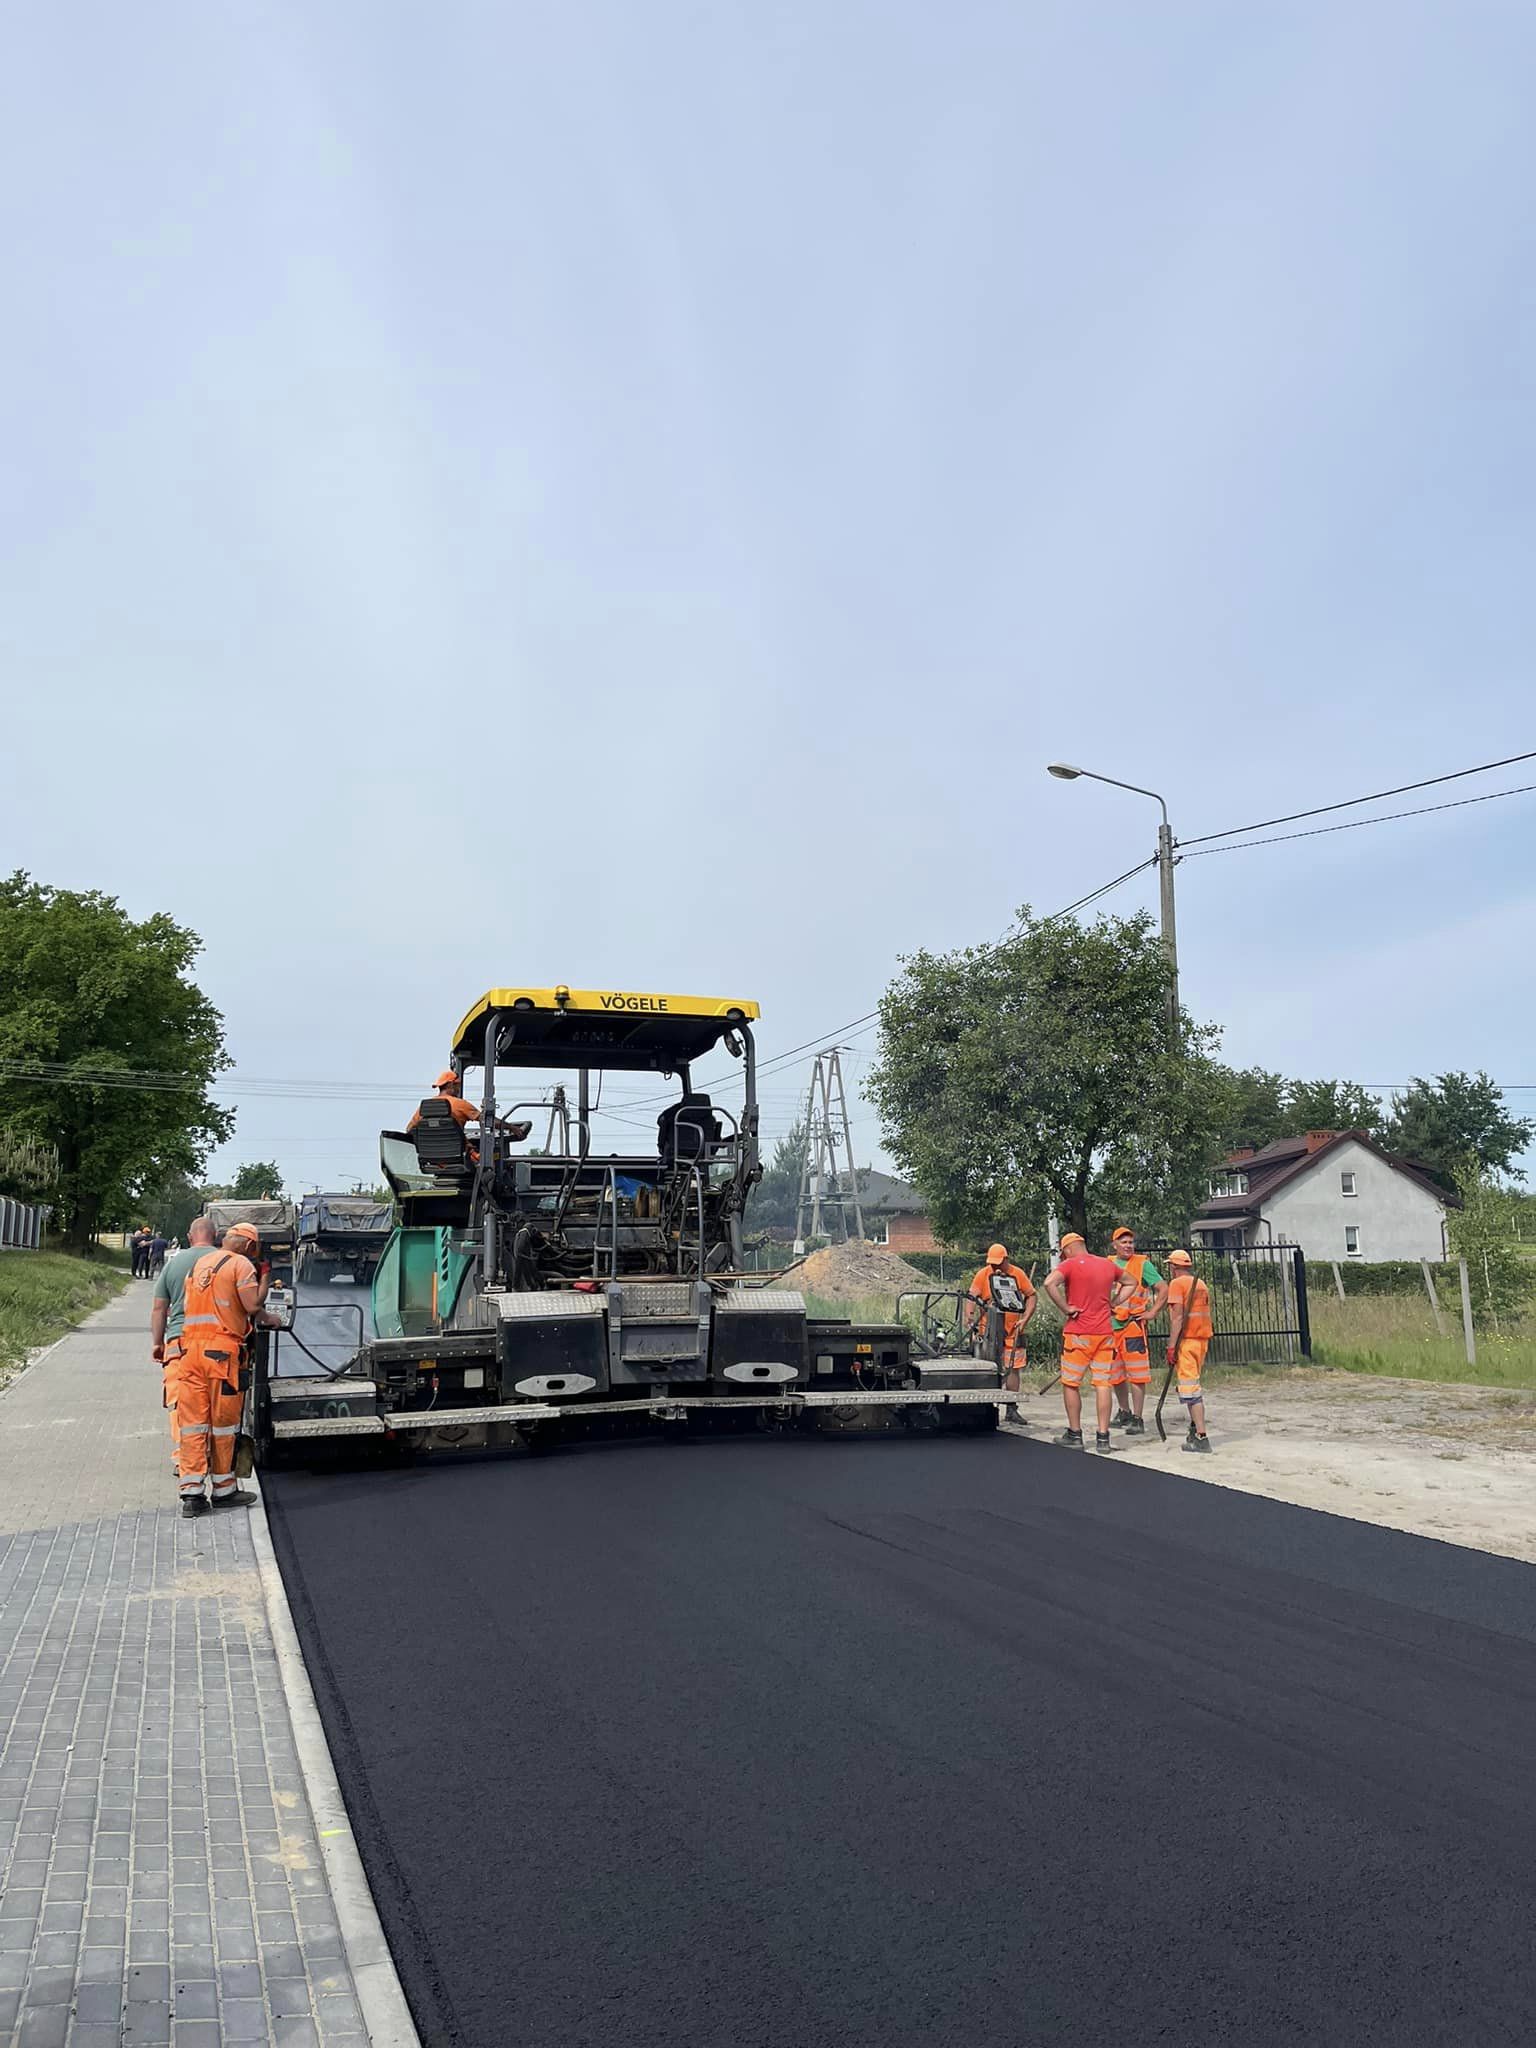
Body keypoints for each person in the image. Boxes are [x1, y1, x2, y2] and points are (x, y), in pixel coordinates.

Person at [173, 1222, 275, 1517]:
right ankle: (224, 1489)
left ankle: (191, 1494)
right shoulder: (241, 1265)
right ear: (246, 1244)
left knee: (192, 1425)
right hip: (222, 1356)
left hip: (190, 1353)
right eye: (253, 1248)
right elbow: (252, 1304)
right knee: (223, 1425)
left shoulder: (200, 1264)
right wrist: (265, 1278)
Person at [1042, 1231, 1122, 1452]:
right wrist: (1114, 1303)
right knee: (1103, 1385)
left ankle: (1075, 1434)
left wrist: (1066, 1308)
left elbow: (1049, 1283)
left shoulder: (1069, 1265)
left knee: (1071, 1383)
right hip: (1105, 1333)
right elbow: (1131, 1282)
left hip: (1078, 1334)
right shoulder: (1107, 1264)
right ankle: (1103, 1438)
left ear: (1067, 1249)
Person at [151, 1217, 217, 1465]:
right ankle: (212, 1456)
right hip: (217, 1344)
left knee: (181, 1402)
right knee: (213, 1402)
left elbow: (159, 1308)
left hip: (179, 1342)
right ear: (216, 1235)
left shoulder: (174, 1263)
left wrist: (158, 1343)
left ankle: (185, 1458)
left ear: (190, 1237)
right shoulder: (227, 1261)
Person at [1107, 1226, 1168, 1436]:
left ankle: (1138, 1418)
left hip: (1132, 1326)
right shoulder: (1108, 1264)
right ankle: (1124, 1411)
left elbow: (1162, 1288)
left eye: (1130, 1242)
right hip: (1111, 1326)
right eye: (1123, 1242)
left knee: (1137, 1375)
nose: (1128, 1246)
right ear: (1114, 1245)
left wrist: (1153, 1312)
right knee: (1115, 1375)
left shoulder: (1143, 1264)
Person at [966, 1244, 1036, 1415]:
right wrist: (969, 1318)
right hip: (987, 1332)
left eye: (999, 1263)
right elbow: (971, 1296)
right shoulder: (983, 1274)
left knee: (1013, 1369)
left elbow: (1032, 1295)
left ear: (1006, 1259)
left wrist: (1025, 1319)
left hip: (1013, 1331)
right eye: (993, 1264)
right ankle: (984, 1407)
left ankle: (1011, 1408)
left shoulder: (1018, 1274)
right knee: (987, 1369)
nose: (995, 1267)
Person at [407, 1072, 532, 1159]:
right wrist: (512, 1128)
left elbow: (409, 1130)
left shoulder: (424, 1108)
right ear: (450, 1085)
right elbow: (488, 1121)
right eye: (458, 1085)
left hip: (431, 1160)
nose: (459, 1088)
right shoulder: (460, 1104)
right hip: (461, 1157)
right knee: (495, 1157)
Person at [1164, 1249, 1214, 1452]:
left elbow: (1177, 1318)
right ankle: (1194, 1429)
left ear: (1174, 1266)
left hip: (1187, 1341)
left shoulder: (1176, 1284)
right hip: (1202, 1339)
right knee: (1192, 1384)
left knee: (1190, 1389)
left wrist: (1171, 1345)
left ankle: (1201, 1437)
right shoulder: (1200, 1283)